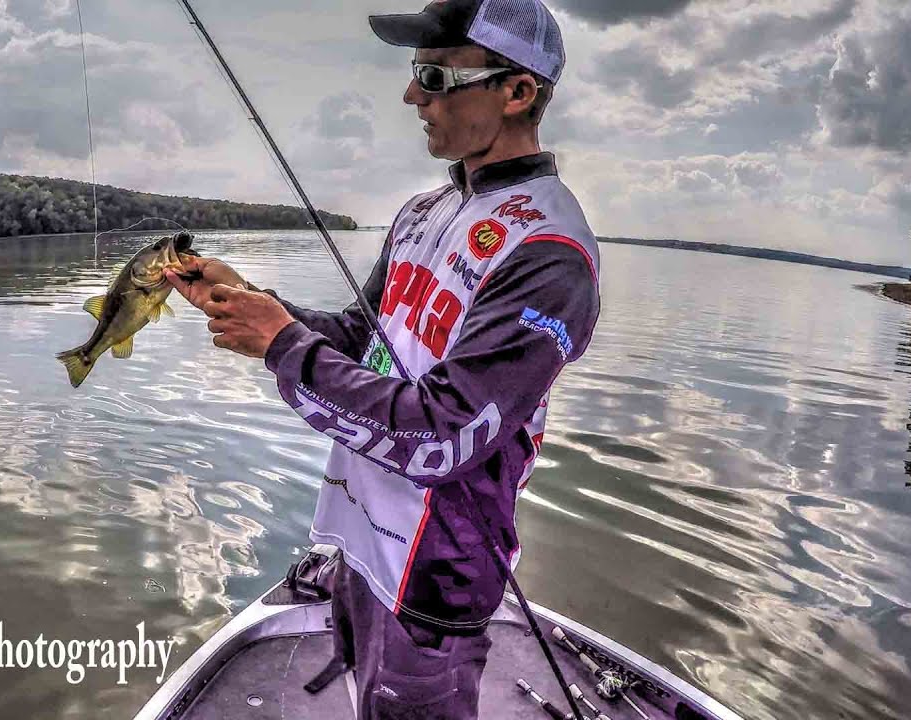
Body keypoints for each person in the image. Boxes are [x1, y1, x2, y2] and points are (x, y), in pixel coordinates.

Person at [166, 0, 600, 716]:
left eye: (434, 75)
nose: (412, 97)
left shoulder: (551, 255)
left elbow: (442, 434)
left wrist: (279, 342)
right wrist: (249, 301)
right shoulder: (424, 212)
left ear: (518, 92)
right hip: (359, 543)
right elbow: (361, 338)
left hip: (435, 578)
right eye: (413, 74)